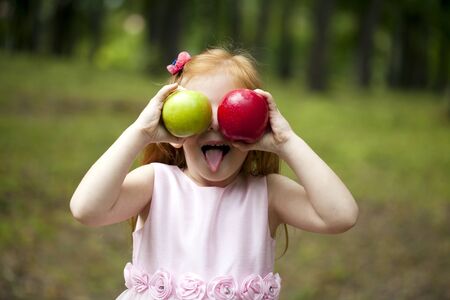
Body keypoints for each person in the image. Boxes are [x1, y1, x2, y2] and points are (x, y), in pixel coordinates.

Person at [70, 48, 358, 300]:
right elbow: (87, 209)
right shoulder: (157, 183)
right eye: (203, 111)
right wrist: (140, 133)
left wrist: (286, 142)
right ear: (172, 125)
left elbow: (341, 215)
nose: (216, 124)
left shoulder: (267, 194)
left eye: (229, 108)